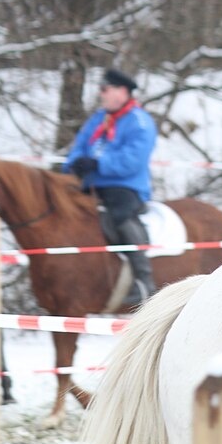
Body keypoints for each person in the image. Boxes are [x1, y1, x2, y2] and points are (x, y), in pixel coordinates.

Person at [63, 68, 157, 304]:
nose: (101, 94)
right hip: (91, 184)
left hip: (125, 186)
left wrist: (98, 163)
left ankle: (143, 280)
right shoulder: (98, 119)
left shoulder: (140, 121)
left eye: (105, 89)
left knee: (118, 216)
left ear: (122, 92)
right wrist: (74, 165)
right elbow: (78, 148)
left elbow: (133, 160)